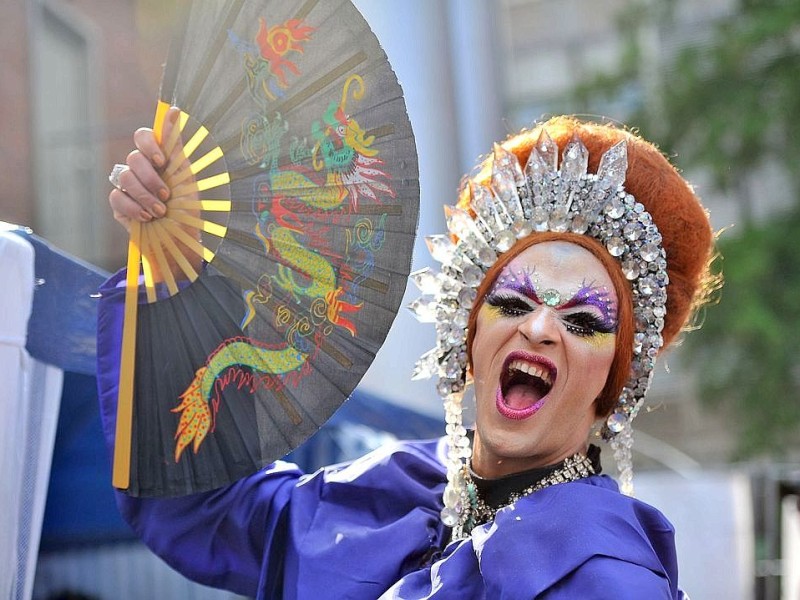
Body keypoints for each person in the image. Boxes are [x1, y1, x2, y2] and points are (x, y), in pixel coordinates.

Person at [100, 115, 715, 598]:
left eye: (581, 320)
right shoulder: (402, 488)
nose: (540, 328)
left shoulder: (604, 572)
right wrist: (171, 261)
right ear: (467, 334)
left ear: (613, 379)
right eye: (513, 301)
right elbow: (203, 506)